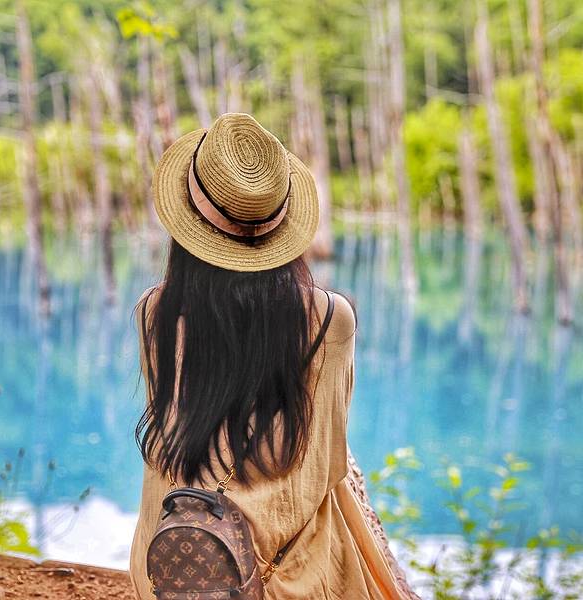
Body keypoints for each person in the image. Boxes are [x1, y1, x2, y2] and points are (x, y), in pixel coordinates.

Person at [129, 113, 418, 599]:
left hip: (169, 565)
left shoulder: (153, 313)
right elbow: (329, 460)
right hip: (282, 579)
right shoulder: (329, 318)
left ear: (187, 225)